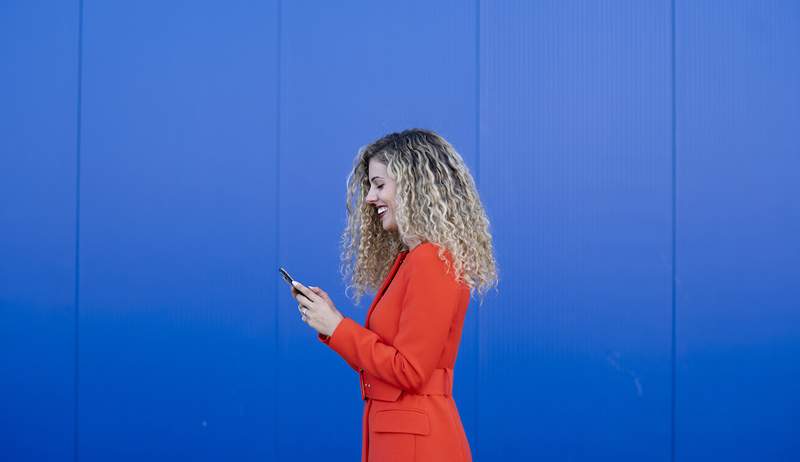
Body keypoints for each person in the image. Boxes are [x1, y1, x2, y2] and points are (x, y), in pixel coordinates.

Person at [288, 128, 498, 461]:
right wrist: (334, 323)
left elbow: (410, 371)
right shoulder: (413, 259)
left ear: (413, 187)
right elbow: (386, 361)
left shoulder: (431, 260)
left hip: (417, 446)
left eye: (380, 184)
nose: (370, 197)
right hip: (402, 439)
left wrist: (338, 327)